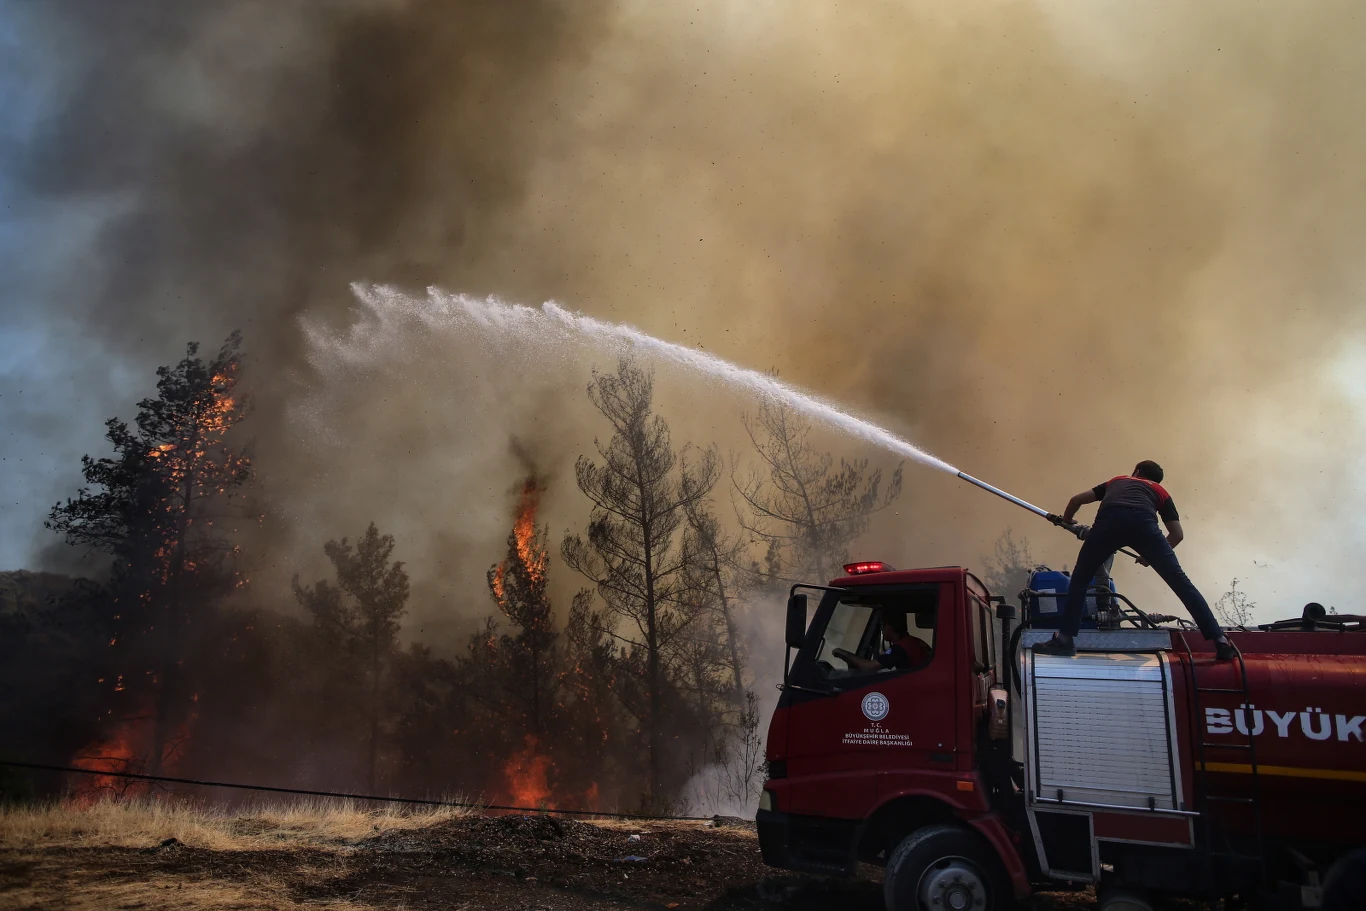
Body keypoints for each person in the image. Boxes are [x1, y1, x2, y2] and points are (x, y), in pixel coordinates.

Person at [1035, 460, 1234, 660]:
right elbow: (1177, 534)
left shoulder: (1118, 480)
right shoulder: (1161, 492)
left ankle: (1065, 640)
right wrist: (1149, 555)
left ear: (1136, 472)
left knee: (1080, 581)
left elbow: (1076, 500)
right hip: (1144, 527)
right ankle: (1220, 641)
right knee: (1182, 584)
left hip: (1108, 524)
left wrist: (1068, 520)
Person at [834, 611, 931, 671]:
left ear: (888, 628)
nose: (881, 630)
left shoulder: (899, 649)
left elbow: (868, 667)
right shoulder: (913, 642)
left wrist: (843, 653)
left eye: (882, 626)